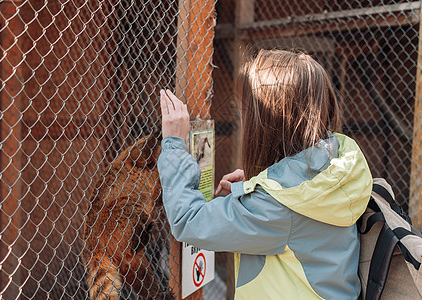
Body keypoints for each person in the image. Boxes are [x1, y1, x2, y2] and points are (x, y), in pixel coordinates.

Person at [157, 49, 372, 299]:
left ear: (270, 123)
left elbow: (189, 222)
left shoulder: (276, 207)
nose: (242, 120)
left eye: (247, 112)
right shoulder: (338, 162)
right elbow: (294, 201)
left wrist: (173, 142)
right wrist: (256, 184)